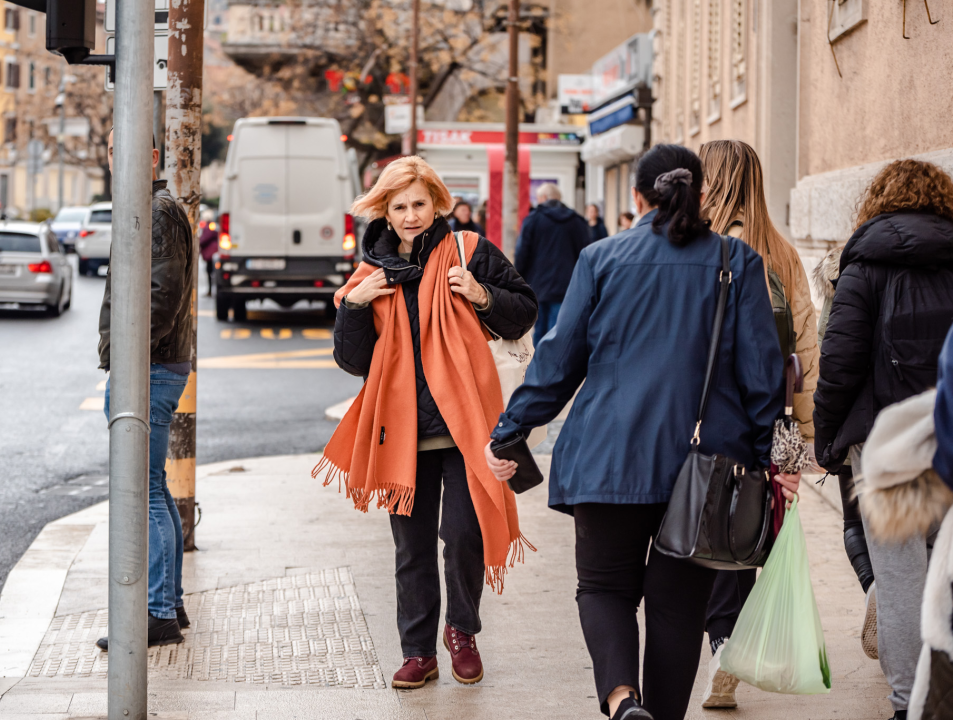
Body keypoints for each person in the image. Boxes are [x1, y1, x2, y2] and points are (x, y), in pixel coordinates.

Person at [485, 144, 799, 720]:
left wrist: (511, 429)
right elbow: (762, 374)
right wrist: (769, 462)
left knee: (604, 589)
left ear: (636, 196)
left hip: (606, 457)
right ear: (700, 193)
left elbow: (557, 362)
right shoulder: (737, 260)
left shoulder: (600, 258)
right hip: (704, 467)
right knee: (678, 610)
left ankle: (623, 699)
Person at [316, 155, 537, 690]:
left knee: (463, 536)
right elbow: (353, 362)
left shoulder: (469, 251)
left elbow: (524, 310)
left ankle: (461, 632)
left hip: (465, 430)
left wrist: (482, 295)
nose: (411, 215)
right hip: (402, 434)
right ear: (385, 213)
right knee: (411, 550)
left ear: (437, 203)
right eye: (399, 207)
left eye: (419, 204)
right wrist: (354, 307)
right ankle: (417, 652)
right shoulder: (370, 274)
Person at [814, 158, 953, 720]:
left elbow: (839, 362)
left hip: (887, 447)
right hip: (947, 435)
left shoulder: (864, 265)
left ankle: (908, 706)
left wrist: (827, 437)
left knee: (899, 583)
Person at [696, 139, 822, 709]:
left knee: (691, 524)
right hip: (771, 417)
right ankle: (727, 641)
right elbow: (806, 352)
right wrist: (804, 437)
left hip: (701, 413)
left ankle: (714, 639)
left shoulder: (693, 245)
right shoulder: (782, 253)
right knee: (742, 528)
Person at [95, 129, 196, 650]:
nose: (120, 158)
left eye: (129, 147)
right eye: (113, 149)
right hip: (152, 365)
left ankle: (156, 614)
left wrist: (128, 361)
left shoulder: (156, 211)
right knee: (153, 488)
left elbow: (161, 295)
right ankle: (168, 604)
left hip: (149, 368)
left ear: (153, 155)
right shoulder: (148, 207)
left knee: (144, 491)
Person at [813, 243, 877, 658]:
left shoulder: (843, 271)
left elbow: (829, 355)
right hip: (916, 418)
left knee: (855, 523)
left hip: (857, 424)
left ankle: (875, 589)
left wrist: (825, 433)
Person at [514, 183, 591, 344]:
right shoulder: (577, 221)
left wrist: (518, 279)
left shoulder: (533, 219)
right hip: (567, 285)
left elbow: (522, 253)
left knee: (539, 329)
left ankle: (538, 359)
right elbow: (586, 253)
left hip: (538, 285)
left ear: (543, 198)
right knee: (559, 330)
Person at [198, 208, 219, 297]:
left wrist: (197, 242)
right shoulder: (213, 226)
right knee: (213, 272)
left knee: (210, 272)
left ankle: (210, 290)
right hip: (213, 252)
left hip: (210, 253)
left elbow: (204, 239)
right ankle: (212, 290)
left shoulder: (208, 227)